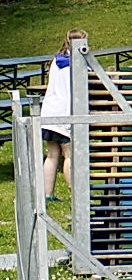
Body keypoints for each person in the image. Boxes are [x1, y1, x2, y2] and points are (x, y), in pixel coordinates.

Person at [41, 28, 87, 202]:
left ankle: (48, 194)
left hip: (49, 112)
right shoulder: (76, 63)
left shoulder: (55, 60)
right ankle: (75, 195)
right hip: (65, 113)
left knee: (52, 155)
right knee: (69, 155)